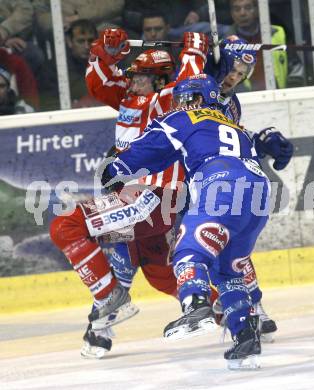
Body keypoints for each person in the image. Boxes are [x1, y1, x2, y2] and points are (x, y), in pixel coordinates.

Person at [103, 73, 291, 369]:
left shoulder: (185, 118)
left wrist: (116, 167)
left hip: (220, 183)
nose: (182, 104)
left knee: (188, 250)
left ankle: (196, 306)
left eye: (188, 98)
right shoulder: (234, 127)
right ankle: (245, 337)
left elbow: (150, 148)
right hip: (258, 194)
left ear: (202, 98)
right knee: (228, 270)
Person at [49, 28, 210, 358]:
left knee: (71, 227)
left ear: (159, 81)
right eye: (132, 75)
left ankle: (102, 321)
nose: (131, 81)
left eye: (139, 77)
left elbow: (187, 84)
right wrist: (105, 50)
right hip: (135, 202)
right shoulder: (129, 100)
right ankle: (238, 310)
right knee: (159, 274)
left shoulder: (167, 102)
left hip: (154, 199)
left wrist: (195, 51)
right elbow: (99, 83)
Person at [205, 36, 294, 339]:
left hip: (214, 182)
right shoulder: (195, 92)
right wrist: (198, 47)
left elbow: (228, 141)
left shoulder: (230, 101)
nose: (234, 78)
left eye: (241, 75)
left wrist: (261, 140)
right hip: (178, 181)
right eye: (231, 70)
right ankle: (232, 308)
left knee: (229, 245)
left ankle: (248, 308)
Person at [225, 0, 304, 91]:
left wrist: (291, 93)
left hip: (280, 96)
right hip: (246, 100)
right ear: (232, 13)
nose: (242, 13)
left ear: (257, 9)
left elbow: (295, 67)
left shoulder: (277, 33)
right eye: (237, 9)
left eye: (248, 8)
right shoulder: (226, 43)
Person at [38, 19, 100, 110]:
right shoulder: (54, 68)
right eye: (81, 41)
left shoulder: (104, 64)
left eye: (90, 41)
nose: (87, 46)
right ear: (69, 42)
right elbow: (47, 105)